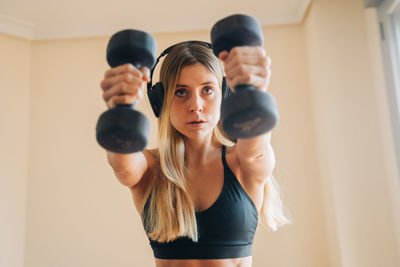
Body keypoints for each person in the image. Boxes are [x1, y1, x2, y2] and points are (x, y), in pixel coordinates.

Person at [100, 40, 290, 267]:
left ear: (224, 95)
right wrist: (120, 109)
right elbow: (121, 160)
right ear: (162, 101)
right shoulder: (149, 168)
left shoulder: (242, 162)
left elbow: (256, 144)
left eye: (207, 90)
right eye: (181, 92)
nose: (196, 105)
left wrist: (252, 91)